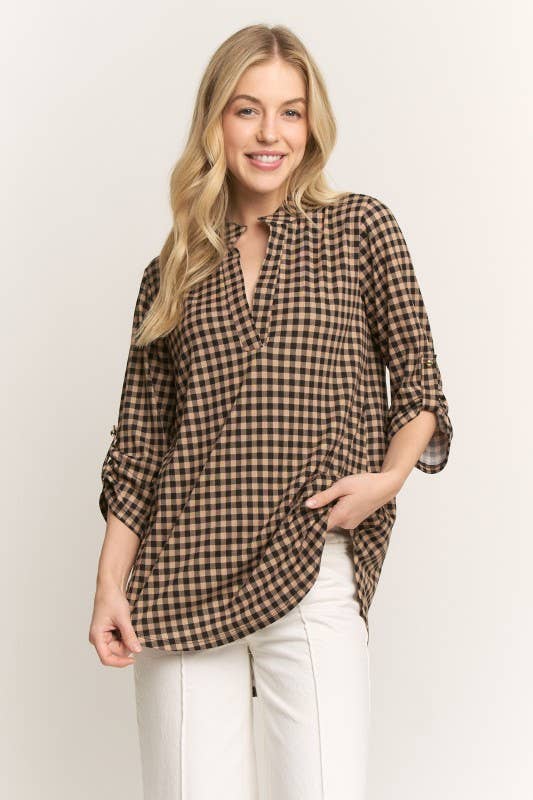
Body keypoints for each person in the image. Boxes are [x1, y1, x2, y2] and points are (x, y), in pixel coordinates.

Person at [89, 23, 453, 800]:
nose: (269, 133)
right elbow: (140, 448)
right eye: (247, 109)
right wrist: (109, 584)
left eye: (290, 112)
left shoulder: (360, 230)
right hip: (181, 576)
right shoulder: (173, 269)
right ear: (215, 121)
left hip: (309, 561)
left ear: (311, 125)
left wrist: (386, 480)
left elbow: (420, 385)